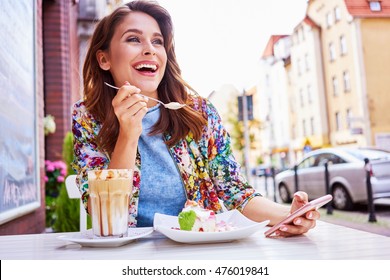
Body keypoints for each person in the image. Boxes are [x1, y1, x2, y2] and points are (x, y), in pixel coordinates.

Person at [71, 0, 319, 237]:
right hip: (131, 253)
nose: (150, 49)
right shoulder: (87, 119)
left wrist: (288, 214)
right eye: (133, 39)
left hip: (202, 248)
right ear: (104, 58)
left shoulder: (199, 113)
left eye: (157, 42)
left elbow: (235, 191)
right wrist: (128, 134)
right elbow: (102, 212)